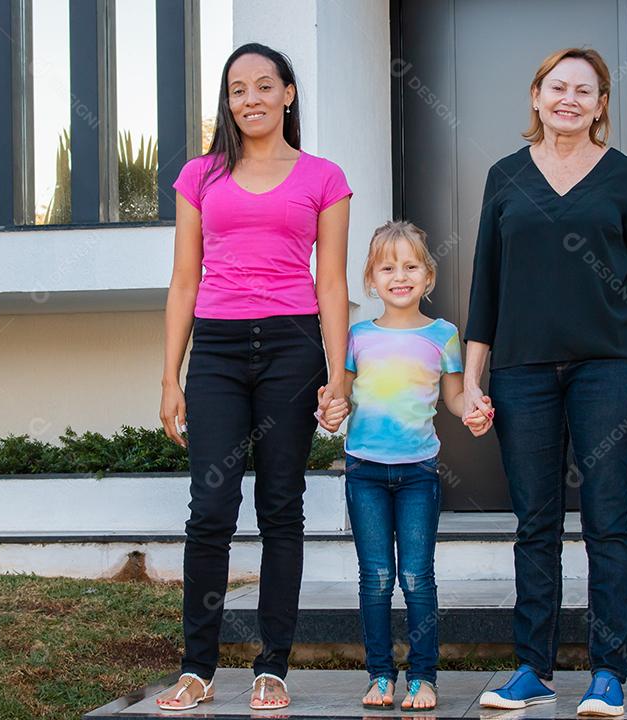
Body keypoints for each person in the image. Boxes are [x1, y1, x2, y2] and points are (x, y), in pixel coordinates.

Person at [465, 48, 627, 717]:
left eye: (583, 91)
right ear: (536, 96)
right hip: (521, 371)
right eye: (557, 87)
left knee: (607, 523)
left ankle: (608, 675)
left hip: (610, 367)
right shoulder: (505, 177)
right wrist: (472, 381)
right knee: (535, 525)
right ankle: (532, 669)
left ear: (600, 104)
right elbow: (484, 286)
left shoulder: (625, 178)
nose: (569, 99)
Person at [155, 42, 352, 711]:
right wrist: (170, 377)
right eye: (238, 89)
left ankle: (274, 666)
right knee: (209, 512)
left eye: (265, 86)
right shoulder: (199, 176)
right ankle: (197, 667)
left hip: (293, 348)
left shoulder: (324, 177)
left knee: (280, 509)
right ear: (227, 101)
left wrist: (338, 375)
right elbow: (185, 281)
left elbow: (331, 283)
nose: (252, 100)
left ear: (288, 94)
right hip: (215, 350)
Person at [319, 220, 493, 712]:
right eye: (387, 267)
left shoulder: (444, 335)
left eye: (411, 266)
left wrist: (474, 412)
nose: (400, 275)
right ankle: (379, 674)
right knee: (375, 577)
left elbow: (456, 399)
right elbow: (340, 399)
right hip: (365, 472)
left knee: (416, 577)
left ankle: (423, 676)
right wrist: (328, 409)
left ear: (428, 277)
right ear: (370, 280)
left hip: (418, 474)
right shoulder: (356, 336)